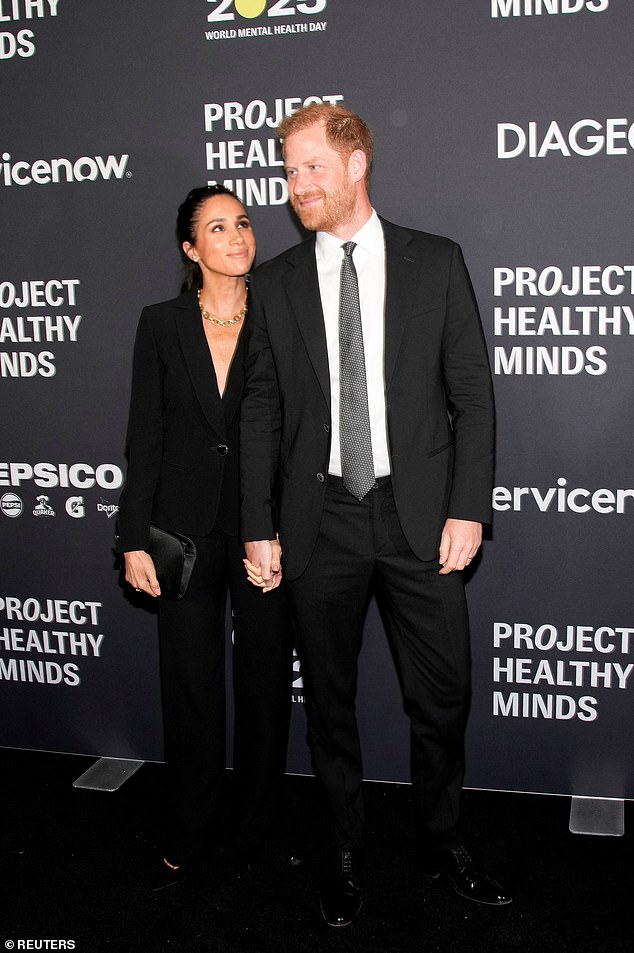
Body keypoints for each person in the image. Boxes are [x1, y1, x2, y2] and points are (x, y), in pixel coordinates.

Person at [240, 104, 510, 926]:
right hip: (320, 518)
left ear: (357, 165)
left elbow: (473, 396)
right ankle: (346, 845)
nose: (297, 186)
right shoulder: (279, 281)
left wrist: (469, 508)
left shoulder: (435, 261)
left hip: (419, 516)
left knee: (444, 694)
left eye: (311, 167)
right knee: (328, 702)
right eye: (289, 171)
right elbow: (261, 409)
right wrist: (259, 522)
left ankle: (440, 836)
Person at [116, 185, 294, 890]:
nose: (237, 236)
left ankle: (254, 829)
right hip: (183, 535)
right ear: (191, 248)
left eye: (244, 223)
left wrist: (277, 523)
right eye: (217, 227)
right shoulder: (160, 324)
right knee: (190, 689)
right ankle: (188, 827)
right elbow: (145, 437)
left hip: (264, 533)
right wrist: (134, 537)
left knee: (263, 687)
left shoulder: (281, 317)